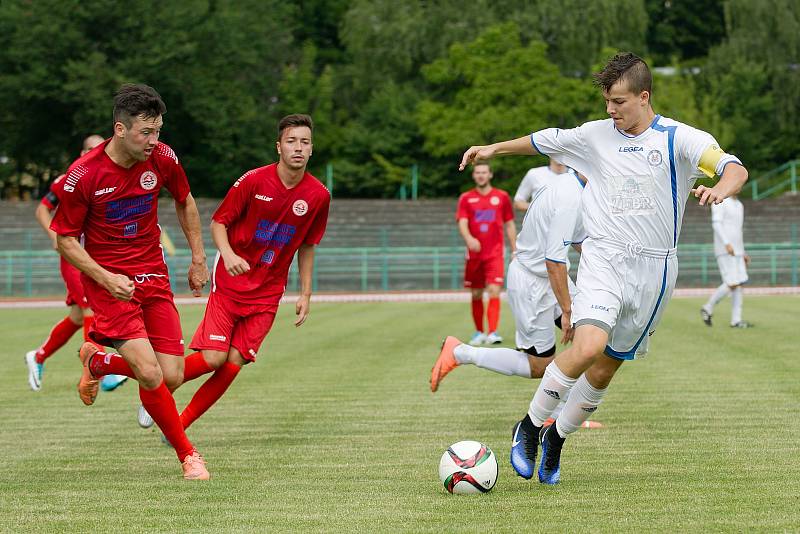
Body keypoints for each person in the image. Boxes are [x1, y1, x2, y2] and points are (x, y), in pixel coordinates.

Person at [458, 52, 748, 485]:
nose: (610, 110)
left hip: (656, 271)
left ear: (643, 96)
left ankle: (557, 436)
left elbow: (732, 167)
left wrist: (720, 189)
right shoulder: (596, 135)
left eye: (618, 101)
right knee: (589, 344)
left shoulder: (679, 139)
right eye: (607, 102)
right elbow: (545, 139)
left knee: (606, 366)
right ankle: (531, 427)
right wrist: (496, 147)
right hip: (605, 256)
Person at [50, 83, 212, 480]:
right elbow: (65, 240)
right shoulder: (83, 175)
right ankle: (189, 456)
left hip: (153, 274)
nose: (154, 141)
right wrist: (104, 277)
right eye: (146, 132)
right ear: (120, 129)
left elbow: (184, 200)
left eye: (158, 131)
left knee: (171, 375)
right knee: (151, 373)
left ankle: (99, 359)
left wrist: (197, 258)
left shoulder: (162, 157)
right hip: (109, 284)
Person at [170, 113, 330, 431]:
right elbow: (219, 222)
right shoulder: (254, 180)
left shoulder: (319, 195)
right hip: (231, 280)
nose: (298, 148)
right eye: (291, 141)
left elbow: (308, 245)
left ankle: (179, 423)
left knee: (233, 363)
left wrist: (306, 294)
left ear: (312, 149)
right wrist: (227, 255)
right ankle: (160, 391)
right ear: (278, 147)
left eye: (305, 142)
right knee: (214, 357)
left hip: (269, 289)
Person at [25, 135, 128, 392]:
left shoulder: (108, 177)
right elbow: (42, 210)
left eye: (99, 148)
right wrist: (55, 238)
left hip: (96, 256)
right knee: (90, 312)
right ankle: (102, 374)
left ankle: (38, 356)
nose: (95, 152)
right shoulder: (68, 180)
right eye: (90, 149)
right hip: (73, 258)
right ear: (82, 152)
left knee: (77, 317)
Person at [456, 162, 516, 345]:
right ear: (474, 176)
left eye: (484, 172)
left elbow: (509, 224)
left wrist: (514, 248)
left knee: (494, 290)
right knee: (476, 293)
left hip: (495, 253)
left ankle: (492, 332)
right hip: (474, 255)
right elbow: (462, 221)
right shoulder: (466, 198)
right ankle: (479, 332)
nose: (481, 175)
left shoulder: (502, 197)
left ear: (490, 175)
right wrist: (469, 239)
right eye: (477, 172)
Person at [701, 195, 751, 328]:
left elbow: (737, 231)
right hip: (724, 249)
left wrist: (743, 251)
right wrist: (726, 243)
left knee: (738, 284)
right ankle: (708, 307)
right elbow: (716, 224)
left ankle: (736, 320)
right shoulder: (720, 201)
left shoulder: (739, 205)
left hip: (737, 251)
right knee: (732, 283)